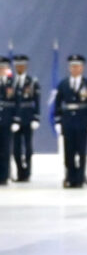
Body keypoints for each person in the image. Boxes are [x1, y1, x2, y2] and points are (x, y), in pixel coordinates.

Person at [54, 55, 87, 188]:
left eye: (77, 66)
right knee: (68, 151)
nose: (75, 69)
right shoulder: (63, 84)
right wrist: (58, 120)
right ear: (69, 68)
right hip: (68, 121)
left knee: (81, 151)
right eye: (72, 66)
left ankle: (80, 178)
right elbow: (58, 103)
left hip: (82, 120)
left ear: (82, 68)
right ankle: (70, 176)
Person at [11, 54, 40, 182]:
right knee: (16, 147)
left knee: (28, 146)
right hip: (15, 118)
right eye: (17, 65)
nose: (20, 67)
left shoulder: (32, 82)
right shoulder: (11, 82)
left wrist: (36, 117)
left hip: (28, 117)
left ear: (26, 66)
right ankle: (19, 172)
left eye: (22, 65)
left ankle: (27, 172)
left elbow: (37, 101)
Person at [0, 59, 15, 185]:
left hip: (6, 119)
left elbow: (17, 102)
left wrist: (16, 119)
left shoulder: (12, 84)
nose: (1, 70)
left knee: (5, 149)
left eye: (3, 68)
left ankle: (4, 176)